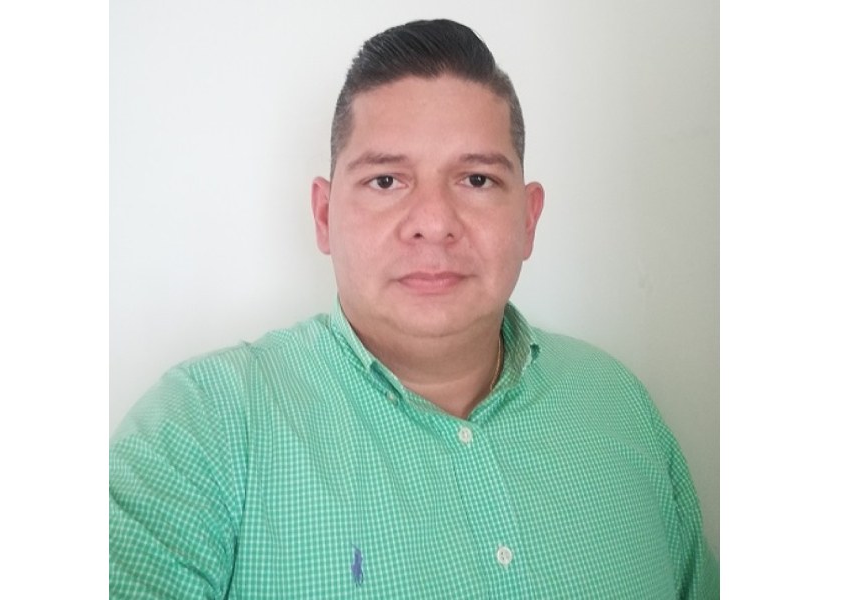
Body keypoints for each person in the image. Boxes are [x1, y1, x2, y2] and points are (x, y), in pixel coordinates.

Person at [110, 19, 719, 598]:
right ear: (323, 216)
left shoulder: (620, 406)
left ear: (529, 220)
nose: (433, 222)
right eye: (386, 181)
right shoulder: (203, 427)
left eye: (476, 179)